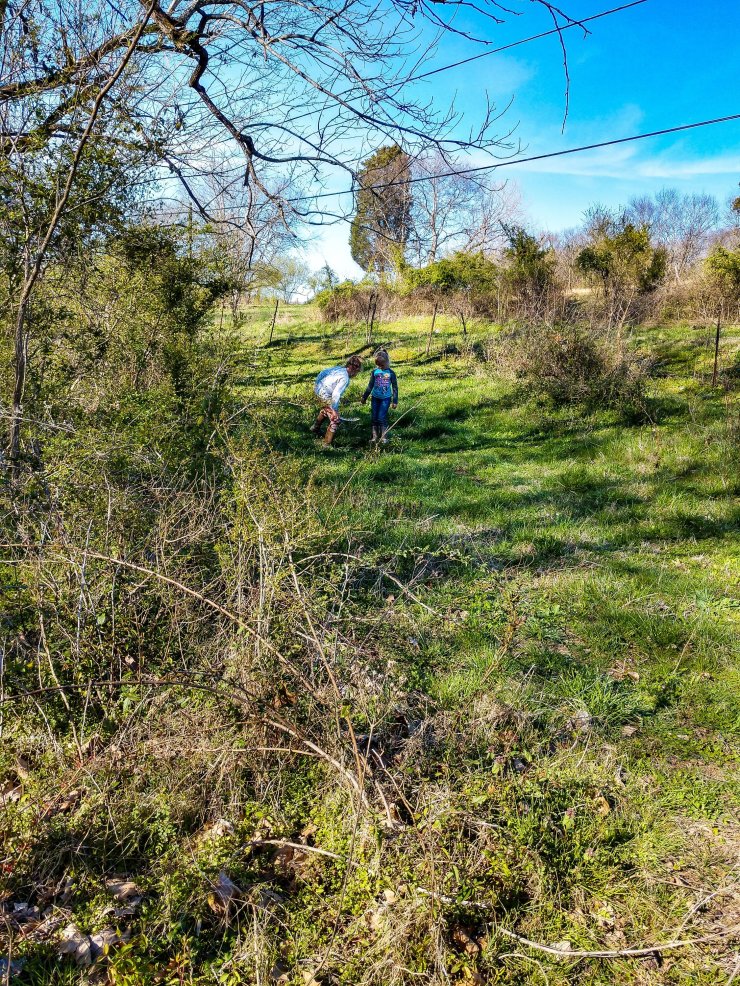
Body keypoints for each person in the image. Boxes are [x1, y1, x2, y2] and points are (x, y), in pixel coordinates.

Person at [310, 355, 363, 445]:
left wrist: (316, 385)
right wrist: (335, 410)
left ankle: (315, 428)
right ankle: (326, 444)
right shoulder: (345, 378)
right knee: (335, 419)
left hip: (318, 390)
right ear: (355, 369)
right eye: (357, 372)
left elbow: (322, 372)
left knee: (327, 409)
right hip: (325, 394)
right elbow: (336, 394)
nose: (356, 374)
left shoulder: (338, 369)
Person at [361, 350, 398, 443]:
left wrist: (395, 401)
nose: (380, 367)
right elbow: (370, 385)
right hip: (375, 398)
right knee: (374, 417)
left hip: (385, 399)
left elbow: (394, 387)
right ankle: (374, 437)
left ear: (387, 362)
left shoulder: (391, 373)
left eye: (382, 365)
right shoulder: (375, 372)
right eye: (378, 365)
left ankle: (384, 437)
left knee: (381, 417)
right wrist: (364, 397)